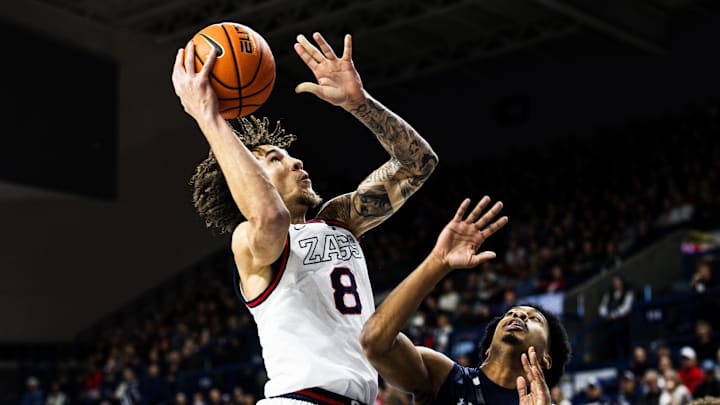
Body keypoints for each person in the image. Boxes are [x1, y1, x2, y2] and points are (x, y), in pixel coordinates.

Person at [172, 31, 438, 405]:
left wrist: (360, 105)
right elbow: (270, 215)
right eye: (274, 159)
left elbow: (418, 164)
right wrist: (207, 115)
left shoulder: (339, 219)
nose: (296, 160)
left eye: (288, 154)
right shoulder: (249, 240)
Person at [360, 198, 572, 405]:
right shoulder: (443, 376)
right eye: (510, 313)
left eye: (535, 319)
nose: (519, 315)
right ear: (488, 349)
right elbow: (375, 342)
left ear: (546, 358)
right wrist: (438, 261)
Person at [598, 275, 635, 359]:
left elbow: (626, 307)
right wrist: (605, 315)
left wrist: (614, 315)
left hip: (623, 322)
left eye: (617, 282)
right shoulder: (609, 293)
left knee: (624, 342)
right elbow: (602, 307)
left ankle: (626, 359)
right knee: (611, 343)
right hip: (610, 323)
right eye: (614, 282)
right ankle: (613, 359)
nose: (616, 284)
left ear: (621, 282)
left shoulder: (628, 292)